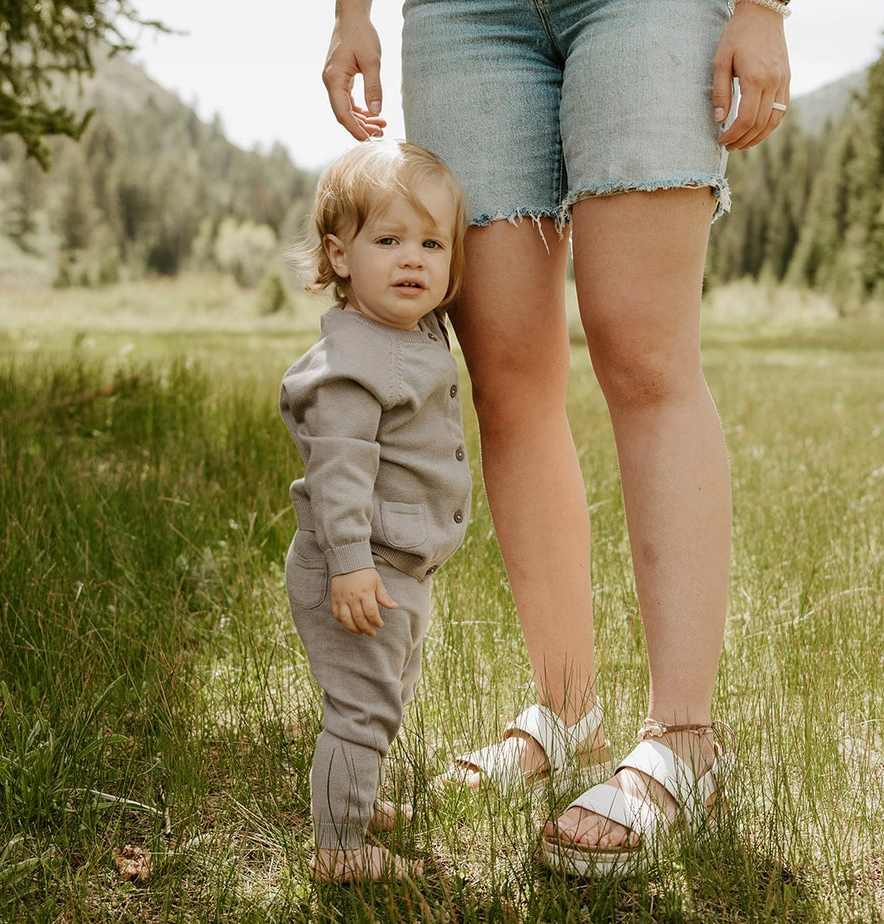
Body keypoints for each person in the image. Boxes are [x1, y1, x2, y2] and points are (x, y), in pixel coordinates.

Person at [323, 0, 790, 877]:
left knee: (644, 355)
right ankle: (567, 713)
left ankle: (684, 742)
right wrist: (352, 13)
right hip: (462, 18)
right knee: (504, 381)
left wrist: (763, 9)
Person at [280, 140, 472, 882]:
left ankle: (354, 800)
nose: (412, 259)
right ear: (338, 255)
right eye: (387, 240)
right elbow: (337, 474)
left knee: (384, 697)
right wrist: (351, 567)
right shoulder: (353, 363)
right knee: (359, 709)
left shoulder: (411, 328)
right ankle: (338, 849)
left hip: (397, 568)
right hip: (361, 570)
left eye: (432, 243)